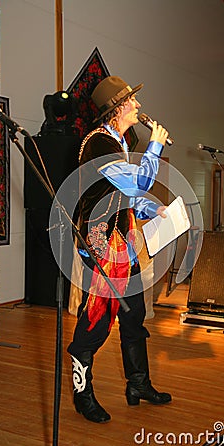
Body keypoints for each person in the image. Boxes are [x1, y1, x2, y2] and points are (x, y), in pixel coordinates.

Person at [67, 75, 171, 424]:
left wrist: (148, 210)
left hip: (122, 244)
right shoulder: (99, 144)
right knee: (95, 321)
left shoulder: (117, 142)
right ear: (118, 108)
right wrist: (154, 146)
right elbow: (135, 181)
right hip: (101, 245)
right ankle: (83, 395)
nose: (138, 106)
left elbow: (125, 195)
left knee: (133, 315)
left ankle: (138, 384)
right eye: (132, 100)